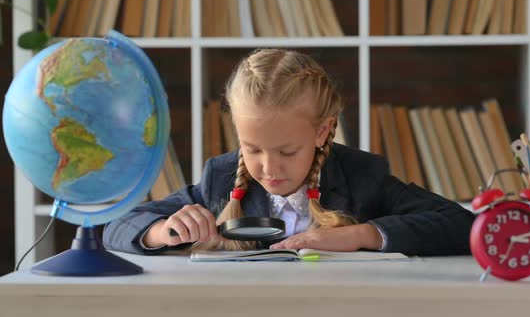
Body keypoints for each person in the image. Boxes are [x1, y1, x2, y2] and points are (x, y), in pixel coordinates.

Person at [103, 49, 474, 256]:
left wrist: (362, 235)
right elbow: (116, 227)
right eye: (252, 149)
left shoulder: (362, 175)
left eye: (287, 150)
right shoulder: (220, 178)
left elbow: (462, 225)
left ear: (322, 130)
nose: (268, 167)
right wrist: (161, 232)